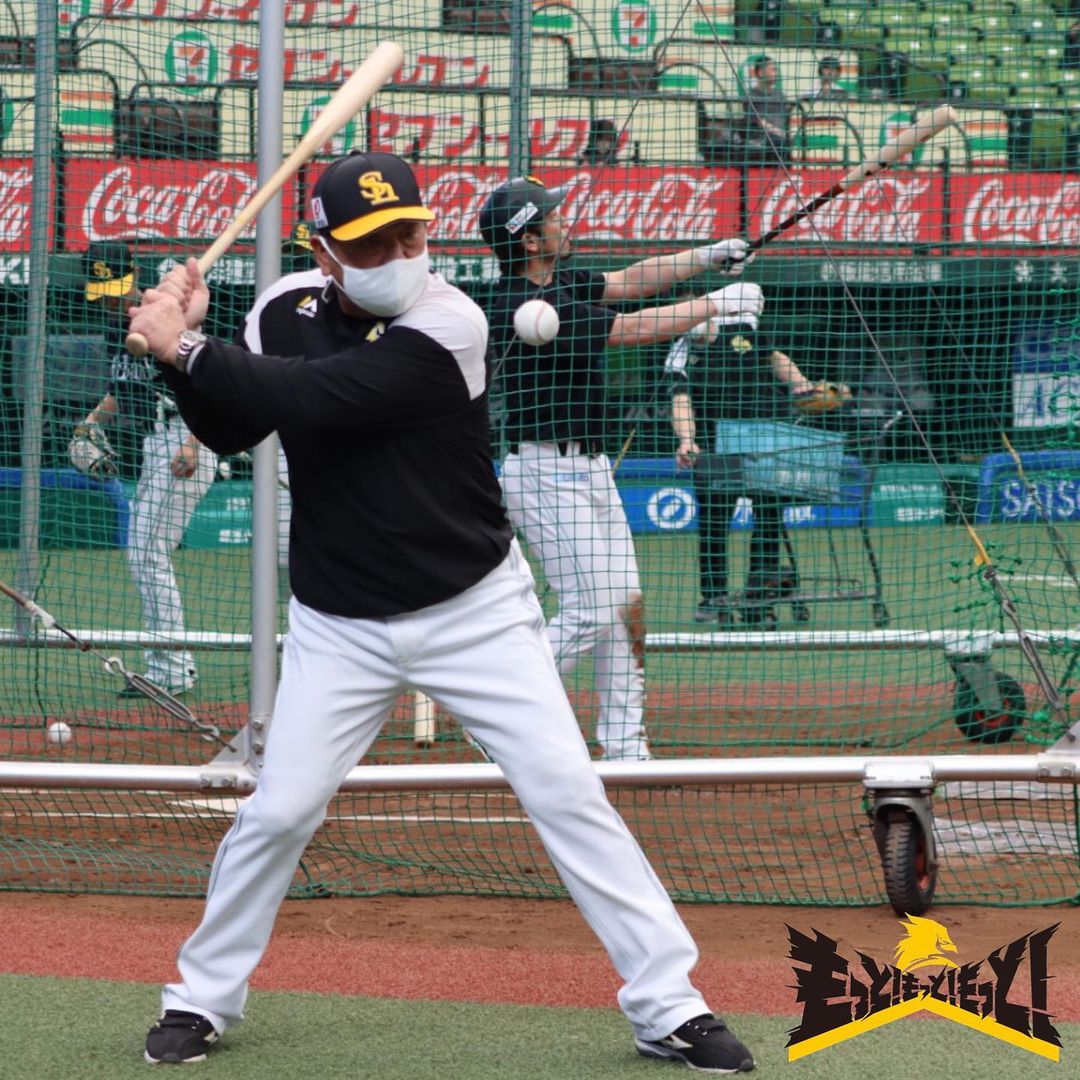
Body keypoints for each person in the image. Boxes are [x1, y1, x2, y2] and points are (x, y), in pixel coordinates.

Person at [128, 151, 755, 1074]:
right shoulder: (281, 309)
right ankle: (201, 997)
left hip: (475, 611)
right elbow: (235, 423)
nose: (396, 254)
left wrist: (183, 348)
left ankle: (669, 1005)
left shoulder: (453, 320)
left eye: (408, 234)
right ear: (322, 252)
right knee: (280, 811)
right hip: (340, 622)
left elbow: (322, 398)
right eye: (370, 243)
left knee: (567, 791)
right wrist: (182, 357)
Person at [478, 175, 753, 761]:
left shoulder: (562, 281)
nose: (564, 220)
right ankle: (495, 715)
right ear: (528, 241)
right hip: (542, 471)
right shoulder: (521, 304)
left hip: (591, 467)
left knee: (625, 603)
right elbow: (631, 328)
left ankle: (625, 744)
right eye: (552, 217)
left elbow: (633, 279)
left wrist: (708, 256)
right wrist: (716, 305)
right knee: (592, 607)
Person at [68, 241, 215, 695]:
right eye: (103, 293)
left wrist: (194, 442)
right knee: (144, 553)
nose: (111, 301)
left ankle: (173, 669)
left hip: (186, 439)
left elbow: (212, 383)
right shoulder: (119, 327)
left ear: (134, 275)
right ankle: (168, 665)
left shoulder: (170, 315)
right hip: (157, 444)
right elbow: (123, 389)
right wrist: (90, 422)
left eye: (116, 289)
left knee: (148, 551)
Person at [666, 294, 840, 627]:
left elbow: (774, 357)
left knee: (769, 518)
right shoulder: (679, 357)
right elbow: (681, 400)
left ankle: (761, 595)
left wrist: (803, 385)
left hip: (766, 439)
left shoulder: (743, 329)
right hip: (717, 448)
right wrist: (687, 439)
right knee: (714, 523)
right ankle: (714, 598)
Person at [741, 54, 790, 165]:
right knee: (779, 142)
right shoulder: (751, 95)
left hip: (781, 137)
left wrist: (787, 133)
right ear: (760, 73)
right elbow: (759, 122)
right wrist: (781, 133)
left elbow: (787, 118)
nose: (776, 74)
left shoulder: (780, 95)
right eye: (772, 70)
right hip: (761, 138)